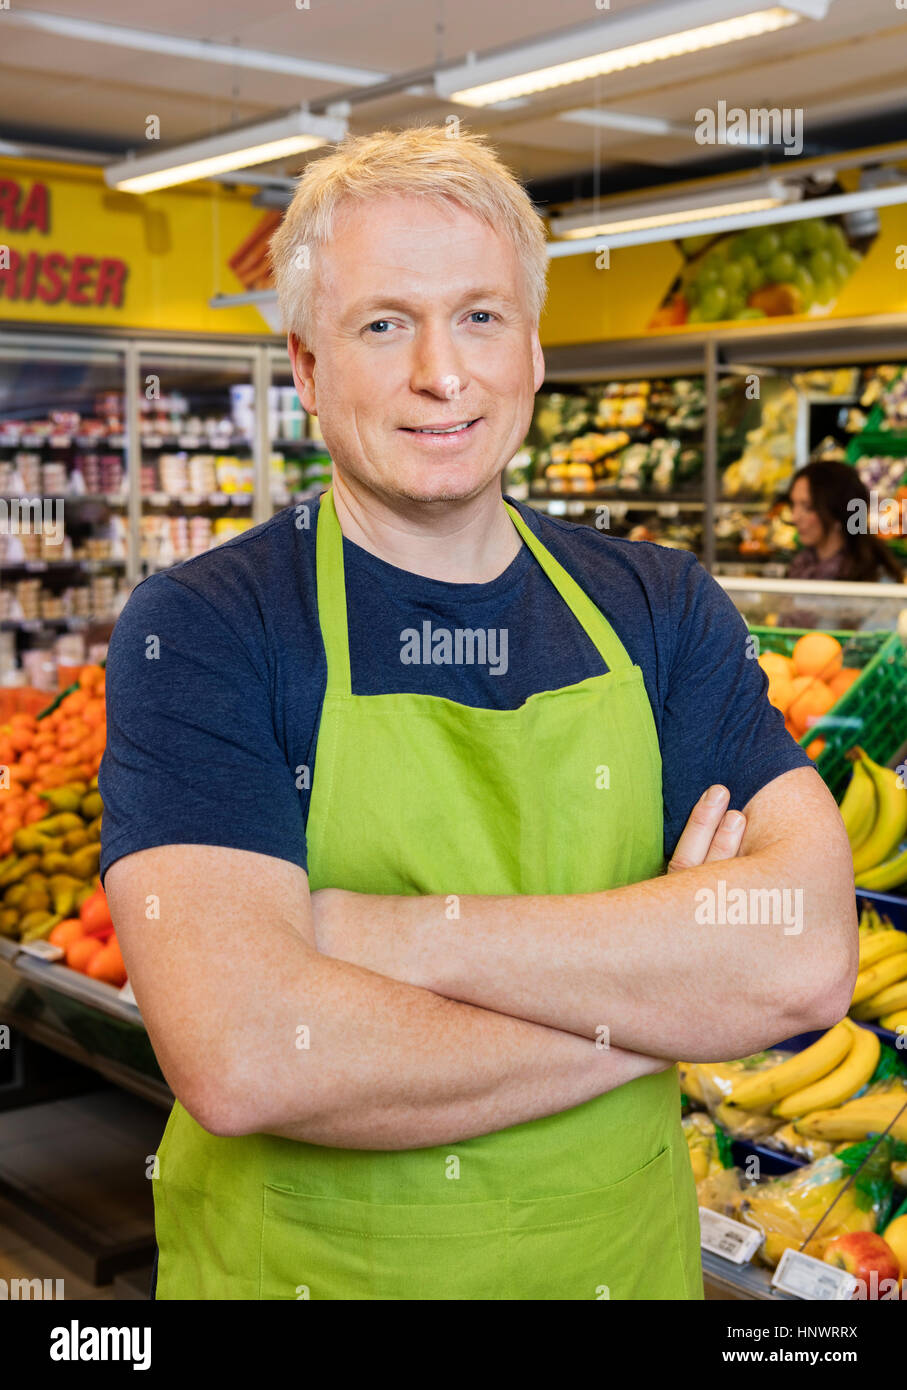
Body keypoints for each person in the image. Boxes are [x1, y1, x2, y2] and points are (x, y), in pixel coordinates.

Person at [100, 126, 857, 1302]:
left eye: (481, 316)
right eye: (384, 323)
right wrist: (668, 995)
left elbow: (802, 953)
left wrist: (377, 937)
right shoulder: (204, 627)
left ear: (535, 350)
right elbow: (247, 1053)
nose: (440, 374)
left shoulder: (659, 609)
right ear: (306, 369)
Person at [787, 461, 905, 583]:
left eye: (808, 507)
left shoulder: (875, 577)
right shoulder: (799, 567)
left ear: (837, 511)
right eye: (793, 505)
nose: (795, 517)